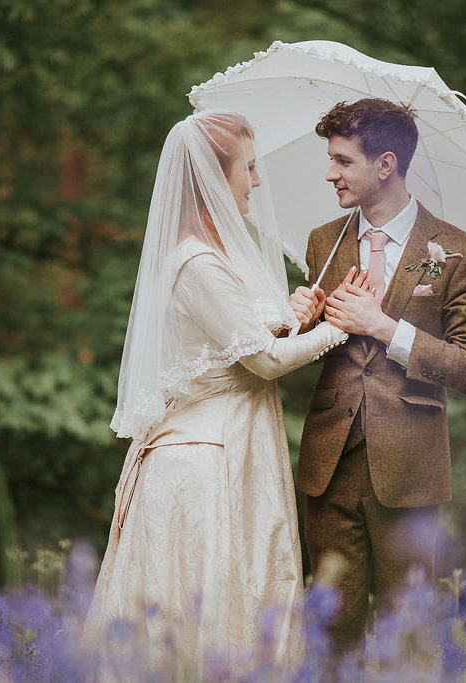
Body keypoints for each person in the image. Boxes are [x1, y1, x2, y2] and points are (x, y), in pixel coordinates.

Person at [86, 112, 350, 669]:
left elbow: (247, 337)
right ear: (213, 176)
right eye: (248, 168)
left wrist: (297, 317)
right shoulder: (196, 262)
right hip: (206, 463)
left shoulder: (224, 254)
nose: (256, 181)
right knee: (209, 606)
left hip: (238, 447)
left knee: (242, 597)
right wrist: (340, 328)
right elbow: (263, 361)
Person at [289, 98, 466, 655]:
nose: (330, 173)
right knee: (330, 635)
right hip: (328, 468)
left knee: (412, 635)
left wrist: (385, 327)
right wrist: (295, 323)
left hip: (410, 472)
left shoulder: (457, 251)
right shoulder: (321, 241)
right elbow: (304, 352)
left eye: (342, 161)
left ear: (385, 164)